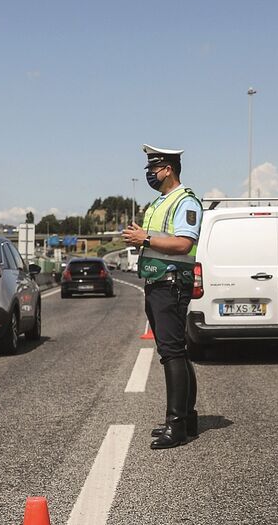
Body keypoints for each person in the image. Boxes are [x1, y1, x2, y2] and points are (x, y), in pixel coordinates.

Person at [122, 145, 203, 449]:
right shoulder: (160, 203)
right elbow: (160, 239)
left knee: (172, 353)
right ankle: (187, 418)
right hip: (157, 283)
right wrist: (142, 236)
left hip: (171, 284)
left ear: (168, 169)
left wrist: (145, 238)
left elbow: (183, 243)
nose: (149, 175)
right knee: (177, 352)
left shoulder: (186, 201)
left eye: (153, 169)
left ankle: (177, 426)